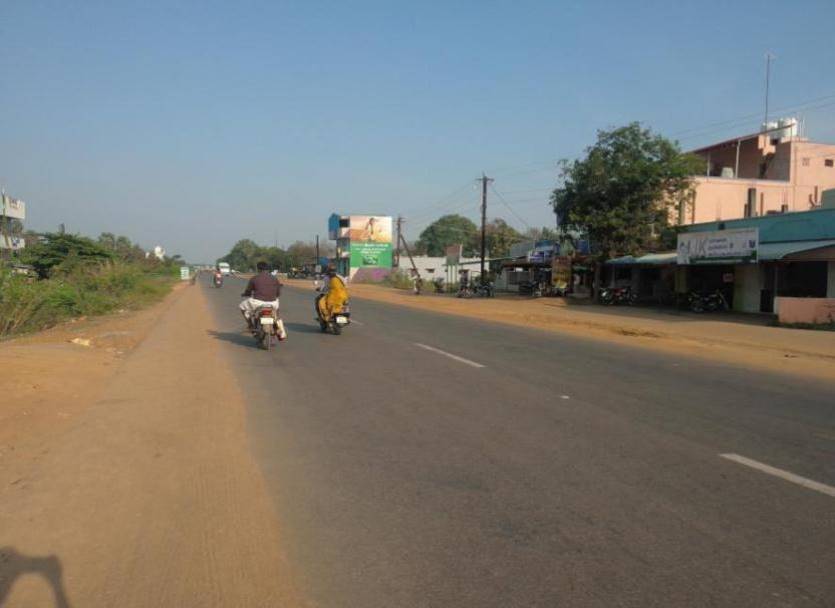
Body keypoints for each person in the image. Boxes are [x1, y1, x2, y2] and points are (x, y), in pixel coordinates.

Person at [240, 262, 287, 340]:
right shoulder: (274, 279)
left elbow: (248, 291)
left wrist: (245, 294)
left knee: (242, 307)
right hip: (272, 303)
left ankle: (250, 324)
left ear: (258, 269)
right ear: (268, 269)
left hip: (257, 303)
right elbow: (278, 293)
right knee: (276, 315)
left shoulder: (254, 278)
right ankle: (281, 332)